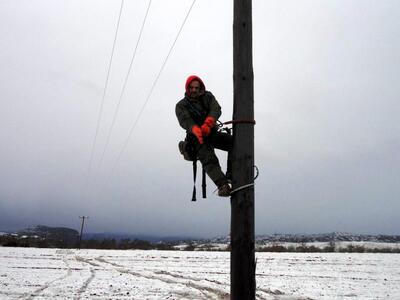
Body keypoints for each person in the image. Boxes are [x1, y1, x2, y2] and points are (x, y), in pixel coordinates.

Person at [175, 75, 232, 197]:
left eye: (196, 87)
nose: (194, 90)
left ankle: (232, 175)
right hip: (196, 138)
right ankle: (223, 185)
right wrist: (195, 129)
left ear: (200, 87)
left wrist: (208, 123)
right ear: (187, 88)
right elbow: (185, 120)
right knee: (208, 157)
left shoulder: (208, 96)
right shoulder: (181, 105)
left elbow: (216, 109)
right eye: (191, 87)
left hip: (211, 132)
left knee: (234, 143)